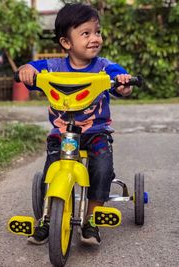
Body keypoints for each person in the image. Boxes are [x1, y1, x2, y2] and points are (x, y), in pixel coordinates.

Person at [18, 3, 132, 246]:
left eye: (97, 32)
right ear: (66, 43)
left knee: (101, 169)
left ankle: (92, 219)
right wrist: (26, 69)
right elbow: (31, 70)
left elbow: (120, 77)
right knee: (52, 169)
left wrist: (123, 81)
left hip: (95, 133)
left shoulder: (104, 67)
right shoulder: (54, 67)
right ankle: (48, 219)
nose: (95, 38)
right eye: (86, 33)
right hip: (62, 133)